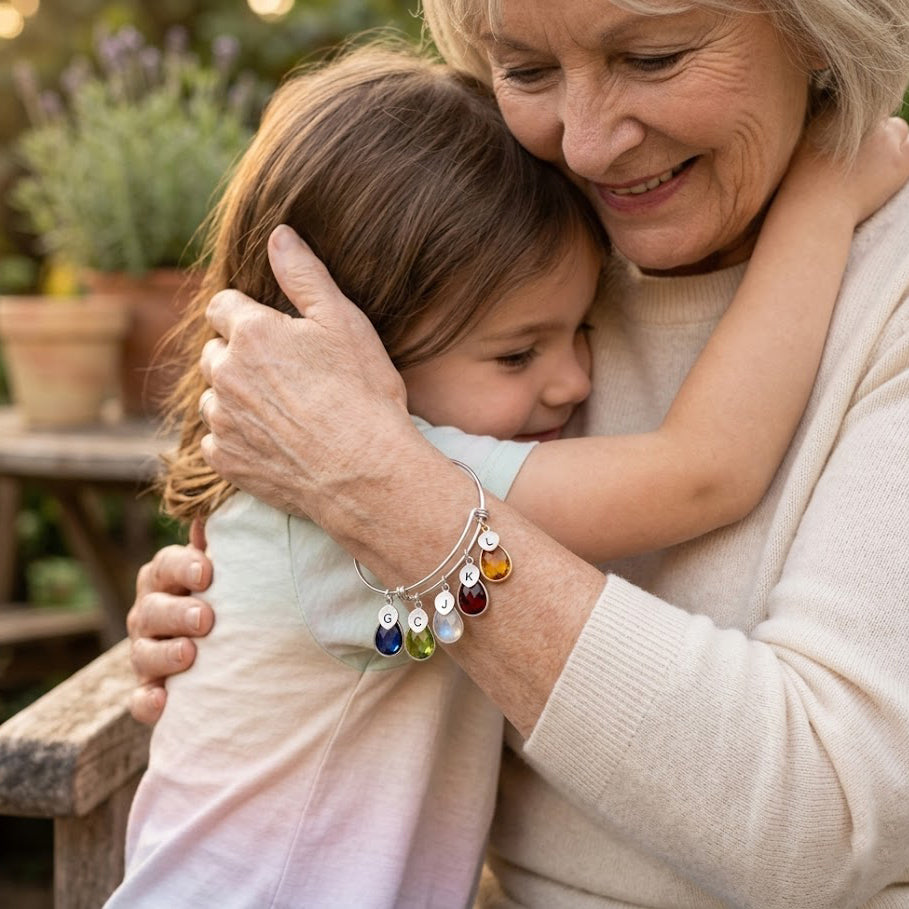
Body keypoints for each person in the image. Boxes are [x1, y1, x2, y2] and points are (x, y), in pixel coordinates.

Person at [128, 1, 909, 905]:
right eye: (527, 71)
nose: (584, 146)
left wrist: (388, 499)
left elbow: (819, 816)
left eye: (653, 57)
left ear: (816, 30)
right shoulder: (521, 256)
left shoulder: (520, 300)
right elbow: (703, 468)